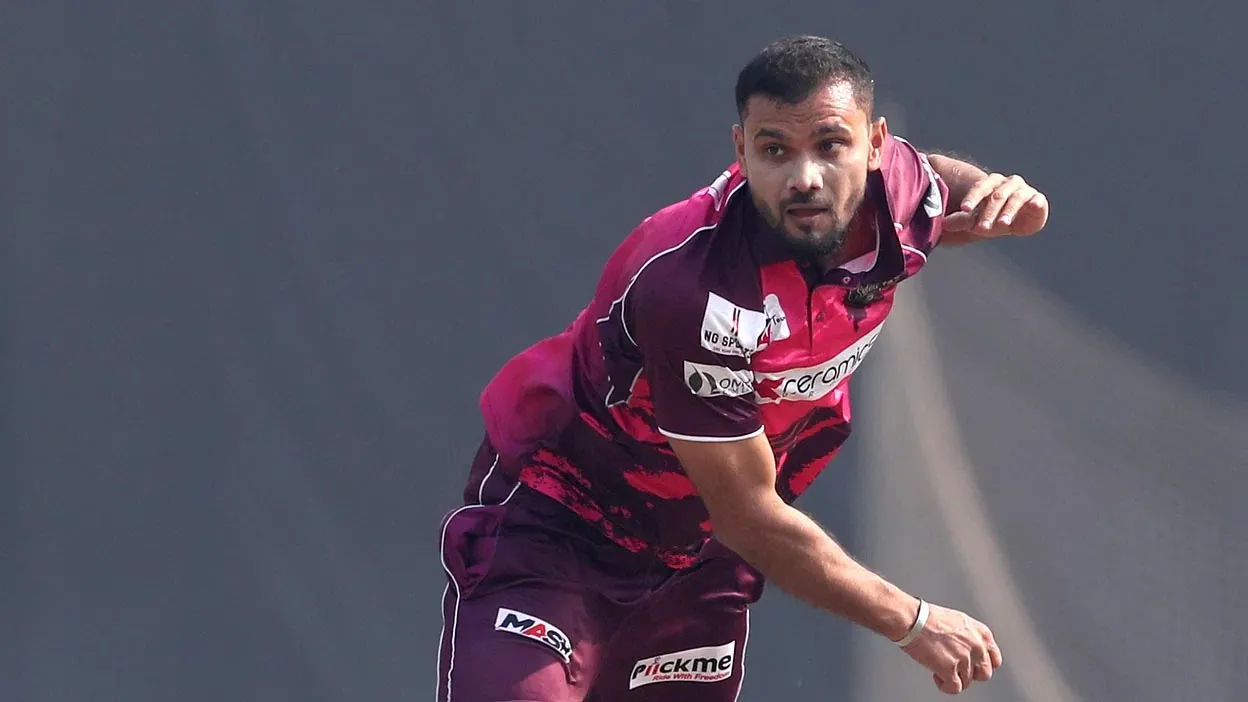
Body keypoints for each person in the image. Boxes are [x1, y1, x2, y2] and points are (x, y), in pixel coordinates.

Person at [436, 35, 1050, 701]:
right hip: (562, 525)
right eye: (775, 151)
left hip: (700, 558)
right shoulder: (700, 292)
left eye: (830, 145)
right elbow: (748, 514)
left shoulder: (892, 193)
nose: (805, 177)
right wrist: (913, 621)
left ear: (874, 145)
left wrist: (993, 194)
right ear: (741, 151)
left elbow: (930, 178)